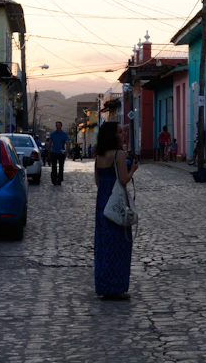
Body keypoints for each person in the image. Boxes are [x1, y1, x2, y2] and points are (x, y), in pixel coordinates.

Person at [93, 121, 139, 300]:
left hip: (102, 202)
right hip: (116, 202)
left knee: (104, 245)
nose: (123, 135)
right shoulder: (119, 155)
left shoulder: (99, 155)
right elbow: (124, 180)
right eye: (120, 132)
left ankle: (104, 285)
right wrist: (133, 169)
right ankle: (117, 285)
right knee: (120, 243)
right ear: (113, 135)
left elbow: (97, 181)